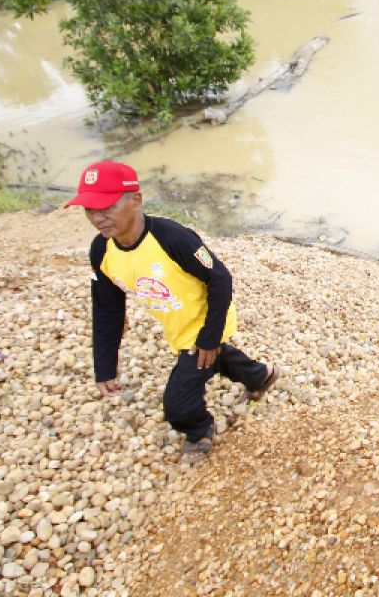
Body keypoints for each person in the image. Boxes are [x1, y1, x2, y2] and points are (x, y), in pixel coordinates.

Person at [66, 160, 280, 464]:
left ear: (135, 200)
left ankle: (199, 428)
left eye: (107, 207)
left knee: (178, 403)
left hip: (207, 321)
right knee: (216, 358)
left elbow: (220, 278)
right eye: (90, 209)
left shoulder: (173, 237)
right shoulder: (102, 251)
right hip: (177, 325)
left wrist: (209, 337)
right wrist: (105, 366)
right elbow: (106, 309)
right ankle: (261, 376)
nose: (98, 218)